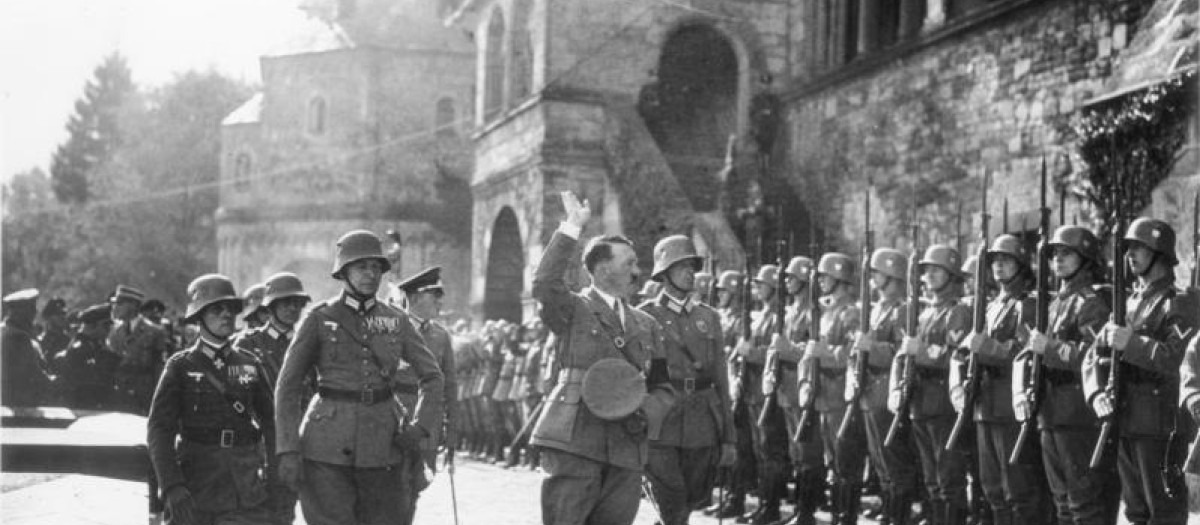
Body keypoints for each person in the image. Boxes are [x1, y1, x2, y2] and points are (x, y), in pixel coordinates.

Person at [274, 229, 444, 525]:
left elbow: (433, 377)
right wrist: (287, 448)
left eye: (376, 267)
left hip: (384, 444)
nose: (370, 274)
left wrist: (420, 428)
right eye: (361, 267)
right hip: (325, 445)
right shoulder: (319, 319)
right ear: (343, 272)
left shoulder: (396, 320)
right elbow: (287, 387)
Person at [531, 190, 673, 525]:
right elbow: (545, 283)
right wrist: (571, 228)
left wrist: (646, 412)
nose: (638, 272)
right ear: (604, 268)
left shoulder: (647, 324)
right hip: (576, 441)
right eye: (630, 264)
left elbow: (663, 385)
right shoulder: (573, 309)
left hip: (627, 447)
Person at [1084, 218, 1193, 525]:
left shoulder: (1179, 302)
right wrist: (1095, 392)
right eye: (1128, 248)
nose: (1130, 255)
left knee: (1164, 512)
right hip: (1126, 416)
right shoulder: (1131, 301)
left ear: (1160, 253)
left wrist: (1132, 344)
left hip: (1161, 423)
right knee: (1135, 512)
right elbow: (1094, 353)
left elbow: (1178, 359)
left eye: (1139, 248)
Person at [1013, 225, 1120, 525]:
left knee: (1083, 503)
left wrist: (1049, 348)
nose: (1057, 260)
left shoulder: (1090, 304)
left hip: (1077, 414)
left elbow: (1094, 357)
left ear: (1085, 259)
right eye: (1054, 254)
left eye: (1067, 253)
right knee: (1061, 502)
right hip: (1050, 412)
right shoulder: (1055, 302)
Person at [147, 274, 274, 525]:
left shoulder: (250, 364)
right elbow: (159, 431)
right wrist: (172, 486)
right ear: (199, 316)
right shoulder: (180, 366)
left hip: (243, 487)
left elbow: (271, 423)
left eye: (231, 309)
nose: (227, 315)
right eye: (217, 309)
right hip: (195, 486)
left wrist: (274, 476)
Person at [638, 235, 736, 525]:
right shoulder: (645, 316)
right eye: (681, 266)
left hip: (701, 420)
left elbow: (722, 379)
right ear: (664, 272)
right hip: (661, 422)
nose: (690, 272)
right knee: (671, 499)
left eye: (692, 266)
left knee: (692, 497)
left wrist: (728, 437)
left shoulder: (709, 317)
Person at [953, 235, 1048, 525]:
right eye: (995, 261)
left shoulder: (1028, 304)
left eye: (1006, 260)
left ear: (1021, 265)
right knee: (993, 488)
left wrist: (988, 349)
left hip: (1010, 405)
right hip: (985, 404)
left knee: (1018, 491)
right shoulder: (993, 305)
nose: (998, 266)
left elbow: (1025, 354)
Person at [889, 245, 971, 525]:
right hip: (920, 401)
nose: (930, 275)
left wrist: (920, 351)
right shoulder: (924, 313)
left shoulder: (957, 311)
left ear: (951, 275)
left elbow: (955, 356)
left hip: (944, 401)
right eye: (926, 271)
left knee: (949, 477)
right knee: (932, 477)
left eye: (937, 270)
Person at [232, 272, 312, 525]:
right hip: (260, 438)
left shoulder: (310, 341)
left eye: (298, 304)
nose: (292, 309)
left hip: (301, 434)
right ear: (271, 306)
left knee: (289, 507)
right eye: (286, 302)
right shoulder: (247, 342)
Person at [850, 248, 920, 525]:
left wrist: (872, 348)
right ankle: (890, 511)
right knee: (880, 459)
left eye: (876, 272)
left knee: (894, 459)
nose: (872, 278)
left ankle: (899, 516)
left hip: (886, 389)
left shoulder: (902, 309)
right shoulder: (878, 307)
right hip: (869, 389)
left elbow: (900, 353)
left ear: (891, 274)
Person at [799, 252, 864, 525]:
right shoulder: (826, 312)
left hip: (841, 396)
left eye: (826, 276)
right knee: (833, 463)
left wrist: (823, 353)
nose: (821, 281)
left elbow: (852, 355)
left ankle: (846, 518)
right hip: (825, 395)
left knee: (846, 463)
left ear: (840, 278)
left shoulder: (851, 313)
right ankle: (837, 515)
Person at [395, 266, 459, 523]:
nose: (440, 302)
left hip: (428, 427)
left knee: (416, 488)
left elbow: (450, 388)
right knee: (392, 488)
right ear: (416, 297)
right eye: (435, 296)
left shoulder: (441, 337)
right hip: (394, 423)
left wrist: (452, 434)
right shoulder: (390, 328)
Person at [733, 263, 786, 524]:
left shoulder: (779, 317)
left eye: (760, 284)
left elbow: (775, 352)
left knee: (770, 450)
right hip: (753, 391)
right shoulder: (762, 314)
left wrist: (750, 353)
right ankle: (764, 503)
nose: (756, 289)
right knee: (759, 449)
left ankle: (772, 506)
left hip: (769, 392)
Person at [710, 269, 757, 520]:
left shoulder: (742, 319)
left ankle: (736, 498)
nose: (720, 295)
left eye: (725, 291)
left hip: (737, 385)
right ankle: (728, 494)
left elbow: (741, 354)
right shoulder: (724, 316)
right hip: (723, 384)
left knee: (738, 446)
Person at [109, 284, 173, 414]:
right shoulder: (115, 331)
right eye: (114, 303)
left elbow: (160, 369)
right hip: (120, 396)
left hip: (144, 396)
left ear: (133, 305)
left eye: (120, 303)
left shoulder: (155, 332)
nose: (115, 307)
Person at [56, 304, 120, 410]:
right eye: (105, 326)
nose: (109, 329)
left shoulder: (94, 346)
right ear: (92, 326)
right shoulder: (80, 350)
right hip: (85, 408)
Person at [2, 289, 53, 406]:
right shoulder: (18, 336)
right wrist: (53, 382)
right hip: (19, 404)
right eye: (30, 309)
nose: (34, 313)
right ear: (18, 312)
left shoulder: (4, 330)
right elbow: (31, 373)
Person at [38, 297, 71, 366]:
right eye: (58, 314)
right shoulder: (41, 341)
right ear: (49, 317)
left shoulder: (69, 340)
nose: (62, 317)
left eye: (64, 313)